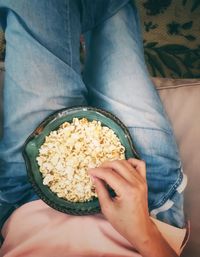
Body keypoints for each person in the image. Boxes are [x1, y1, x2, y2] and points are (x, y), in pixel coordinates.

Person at [0, 0, 188, 256]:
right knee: (114, 21)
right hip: (145, 201)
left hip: (28, 199)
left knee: (35, 7)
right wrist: (140, 229)